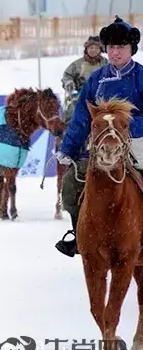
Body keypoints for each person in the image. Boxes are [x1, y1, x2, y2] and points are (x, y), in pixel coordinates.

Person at [54, 16, 142, 257]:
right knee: (72, 184)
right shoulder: (96, 79)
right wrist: (68, 148)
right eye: (112, 47)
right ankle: (80, 235)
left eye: (121, 47)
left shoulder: (140, 77)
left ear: (131, 49)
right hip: (101, 148)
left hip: (136, 144)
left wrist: (124, 126)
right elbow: (82, 116)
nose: (115, 52)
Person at [60, 35, 107, 126]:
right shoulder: (78, 64)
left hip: (103, 96)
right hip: (81, 95)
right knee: (72, 111)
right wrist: (69, 82)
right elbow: (67, 75)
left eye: (96, 48)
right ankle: (69, 133)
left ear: (100, 49)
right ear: (86, 49)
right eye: (91, 47)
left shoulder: (106, 63)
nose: (93, 50)